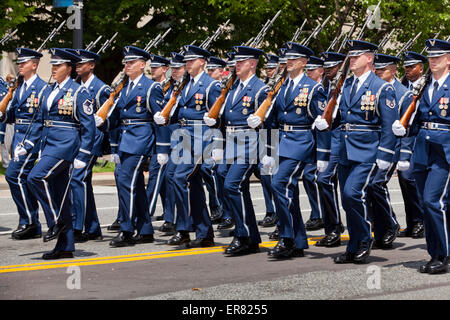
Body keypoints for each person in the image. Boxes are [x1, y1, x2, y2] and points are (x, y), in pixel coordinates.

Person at [315, 40, 398, 264]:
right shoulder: (346, 85)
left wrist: (384, 155)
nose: (352, 60)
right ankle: (353, 245)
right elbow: (340, 118)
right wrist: (326, 122)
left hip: (368, 151)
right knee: (346, 198)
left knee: (353, 194)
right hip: (345, 150)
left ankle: (363, 240)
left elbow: (389, 126)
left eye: (357, 56)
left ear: (369, 59)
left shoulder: (382, 87)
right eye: (351, 56)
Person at [256, 41, 327, 259]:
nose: (289, 62)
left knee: (279, 183)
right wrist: (268, 150)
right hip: (282, 143)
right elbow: (272, 120)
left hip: (301, 142)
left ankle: (286, 237)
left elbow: (322, 123)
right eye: (287, 59)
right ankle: (298, 241)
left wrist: (322, 155)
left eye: (293, 59)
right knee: (290, 192)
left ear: (303, 63)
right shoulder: (282, 86)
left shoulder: (314, 88)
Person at [27, 48, 96, 259]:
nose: (54, 68)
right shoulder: (48, 91)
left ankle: (55, 220)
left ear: (69, 68)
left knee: (35, 177)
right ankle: (65, 247)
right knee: (60, 196)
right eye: (53, 65)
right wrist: (29, 144)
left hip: (65, 147)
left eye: (58, 65)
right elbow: (39, 121)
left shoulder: (79, 92)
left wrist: (83, 156)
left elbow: (89, 127)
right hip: (49, 146)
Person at [97, 45, 168, 247]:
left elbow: (160, 119)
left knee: (125, 181)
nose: (127, 66)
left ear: (142, 65)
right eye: (126, 62)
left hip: (141, 140)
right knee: (133, 184)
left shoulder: (150, 87)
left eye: (131, 62)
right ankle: (145, 229)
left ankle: (127, 229)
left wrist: (162, 149)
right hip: (126, 141)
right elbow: (118, 118)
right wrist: (103, 122)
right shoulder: (125, 87)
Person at [154, 44, 221, 248]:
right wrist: (164, 117)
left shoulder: (211, 86)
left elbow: (218, 116)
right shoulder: (185, 84)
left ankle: (183, 228)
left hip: (201, 140)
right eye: (187, 61)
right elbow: (178, 109)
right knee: (190, 184)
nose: (187, 64)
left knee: (180, 177)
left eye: (191, 61)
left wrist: (217, 144)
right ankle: (204, 233)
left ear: (202, 62)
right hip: (183, 138)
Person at [204, 45, 269, 255]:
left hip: (250, 144)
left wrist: (268, 152)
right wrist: (215, 129)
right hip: (231, 144)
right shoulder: (232, 89)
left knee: (233, 185)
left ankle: (243, 235)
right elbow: (225, 121)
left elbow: (268, 123)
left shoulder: (261, 89)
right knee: (224, 179)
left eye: (241, 62)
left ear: (252, 64)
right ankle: (250, 236)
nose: (236, 65)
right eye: (235, 62)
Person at [392, 38, 450, 274]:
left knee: (432, 201)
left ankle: (442, 254)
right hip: (423, 153)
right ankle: (434, 251)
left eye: (438, 57)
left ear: (449, 60)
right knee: (429, 205)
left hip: (444, 154)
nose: (433, 61)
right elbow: (419, 120)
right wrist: (404, 127)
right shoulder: (424, 87)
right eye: (431, 57)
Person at [1, 48, 46, 240]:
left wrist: (32, 143)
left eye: (24, 63)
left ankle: (29, 221)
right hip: (18, 139)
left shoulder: (42, 88)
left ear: (34, 65)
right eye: (19, 63)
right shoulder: (19, 87)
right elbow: (12, 116)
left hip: (31, 140)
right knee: (23, 179)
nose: (20, 65)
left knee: (13, 175)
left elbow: (42, 120)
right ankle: (29, 222)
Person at [67, 48, 111, 242]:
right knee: (81, 182)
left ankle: (78, 226)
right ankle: (92, 228)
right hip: (78, 139)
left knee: (78, 179)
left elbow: (110, 120)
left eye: (81, 63)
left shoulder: (101, 89)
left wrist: (103, 123)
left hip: (92, 141)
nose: (78, 66)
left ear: (91, 66)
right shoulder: (76, 86)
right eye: (76, 64)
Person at [315, 51, 346, 247]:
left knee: (324, 179)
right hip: (325, 139)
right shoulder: (325, 86)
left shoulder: (346, 86)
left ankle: (334, 228)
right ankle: (332, 227)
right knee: (323, 181)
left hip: (339, 138)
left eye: (332, 68)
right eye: (325, 68)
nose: (327, 71)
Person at [395, 50, 427, 238]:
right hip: (402, 139)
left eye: (411, 66)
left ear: (421, 69)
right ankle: (412, 222)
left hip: (418, 139)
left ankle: (421, 221)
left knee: (410, 178)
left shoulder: (426, 85)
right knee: (404, 181)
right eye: (405, 66)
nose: (407, 69)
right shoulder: (402, 85)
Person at [158, 52, 186, 235]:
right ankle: (172, 218)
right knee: (170, 177)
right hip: (174, 138)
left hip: (191, 139)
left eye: (178, 68)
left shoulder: (190, 87)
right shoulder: (171, 88)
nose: (175, 71)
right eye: (173, 68)